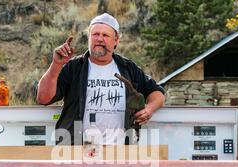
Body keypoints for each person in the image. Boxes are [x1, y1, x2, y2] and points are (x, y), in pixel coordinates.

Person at [37, 12, 165, 145]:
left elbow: (157, 93)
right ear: (89, 38)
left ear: (116, 41)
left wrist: (149, 109)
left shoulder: (128, 68)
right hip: (76, 150)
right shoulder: (74, 68)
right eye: (95, 34)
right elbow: (43, 98)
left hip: (119, 152)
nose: (99, 39)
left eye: (105, 35)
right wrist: (56, 65)